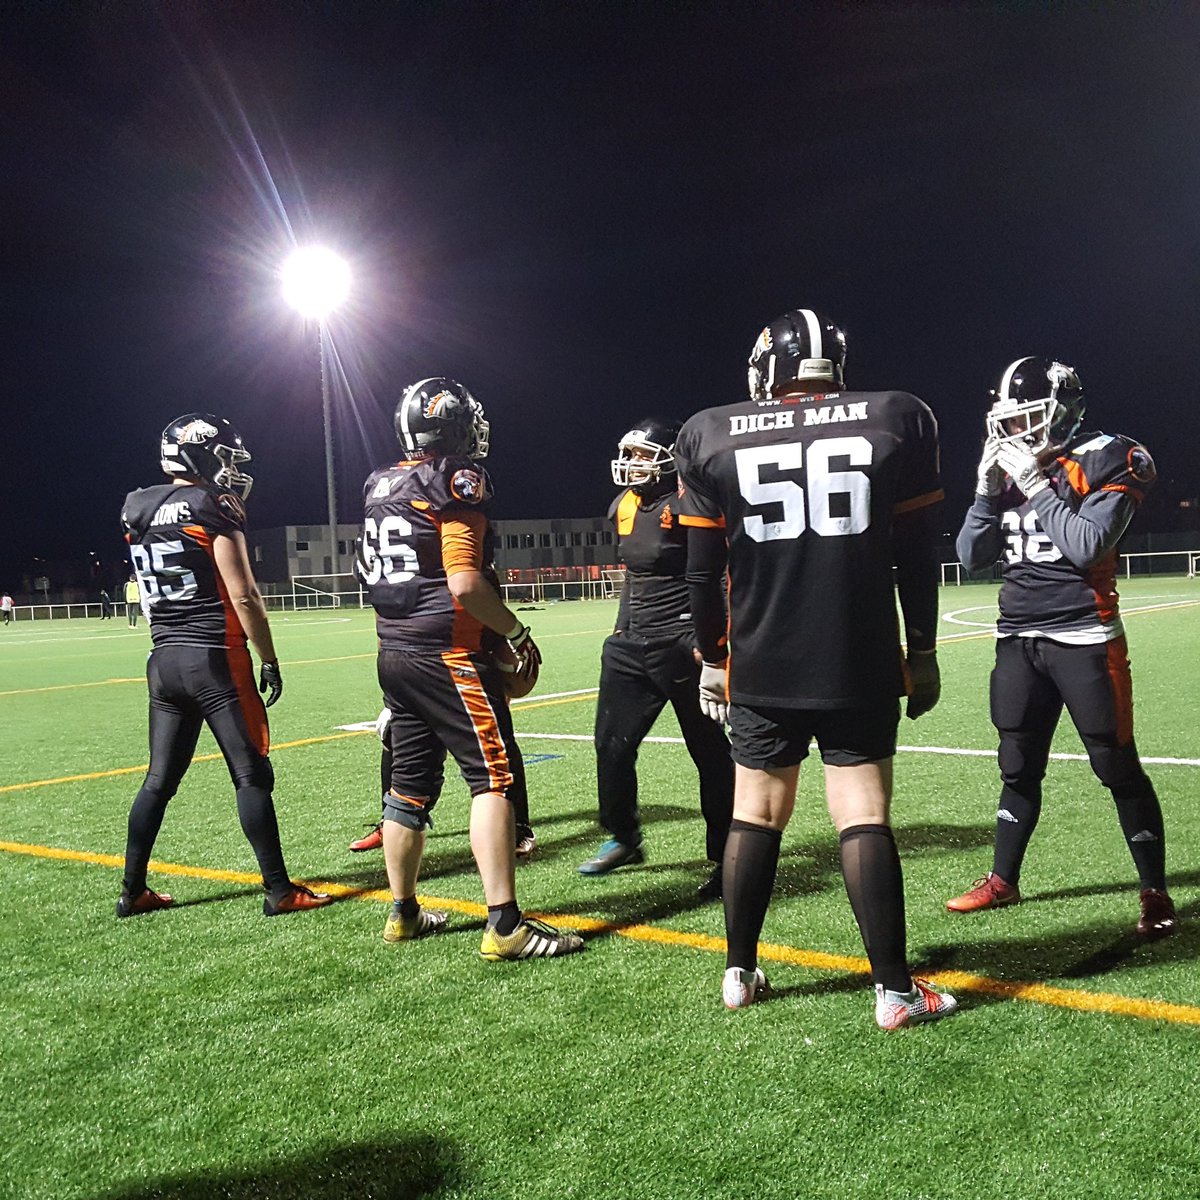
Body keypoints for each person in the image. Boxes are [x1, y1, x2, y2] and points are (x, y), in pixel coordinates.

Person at [675, 308, 958, 1031]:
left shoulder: (712, 433)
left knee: (755, 812)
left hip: (763, 659)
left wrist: (712, 657)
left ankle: (738, 972)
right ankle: (893, 991)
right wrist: (920, 651)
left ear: (769, 366)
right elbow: (918, 557)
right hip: (857, 655)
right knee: (862, 813)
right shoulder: (896, 417)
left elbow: (701, 576)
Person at [947, 357, 1175, 938]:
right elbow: (972, 557)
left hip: (1084, 635)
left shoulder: (1112, 457)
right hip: (1018, 635)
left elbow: (1086, 544)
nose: (1019, 432)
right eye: (1010, 420)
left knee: (1114, 762)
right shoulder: (1012, 468)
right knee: (1017, 761)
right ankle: (1003, 878)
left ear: (1064, 413)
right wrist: (982, 490)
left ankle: (1154, 890)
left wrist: (1031, 484)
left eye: (1030, 417)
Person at [358, 376, 582, 960]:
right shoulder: (454, 480)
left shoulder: (382, 482)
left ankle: (403, 913)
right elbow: (463, 583)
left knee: (408, 789)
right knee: (494, 780)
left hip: (394, 652)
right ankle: (505, 924)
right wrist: (514, 629)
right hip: (446, 652)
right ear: (453, 428)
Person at [117, 413, 331, 918]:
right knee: (251, 774)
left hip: (163, 659)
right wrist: (270, 658)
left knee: (158, 781)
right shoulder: (212, 504)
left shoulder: (136, 506)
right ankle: (280, 890)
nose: (230, 468)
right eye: (223, 457)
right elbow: (245, 594)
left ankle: (132, 890)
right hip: (214, 658)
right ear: (199, 455)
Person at [578, 417, 733, 896]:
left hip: (683, 641)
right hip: (632, 641)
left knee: (709, 752)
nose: (632, 464)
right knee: (611, 744)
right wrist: (620, 629)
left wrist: (713, 647)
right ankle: (624, 835)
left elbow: (717, 577)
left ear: (669, 458)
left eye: (643, 455)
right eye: (630, 455)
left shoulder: (692, 504)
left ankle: (727, 858)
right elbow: (633, 573)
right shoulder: (623, 505)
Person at [348, 709, 538, 862]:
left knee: (494, 731)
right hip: (418, 668)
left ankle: (518, 827)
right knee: (391, 727)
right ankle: (388, 824)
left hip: (464, 670)